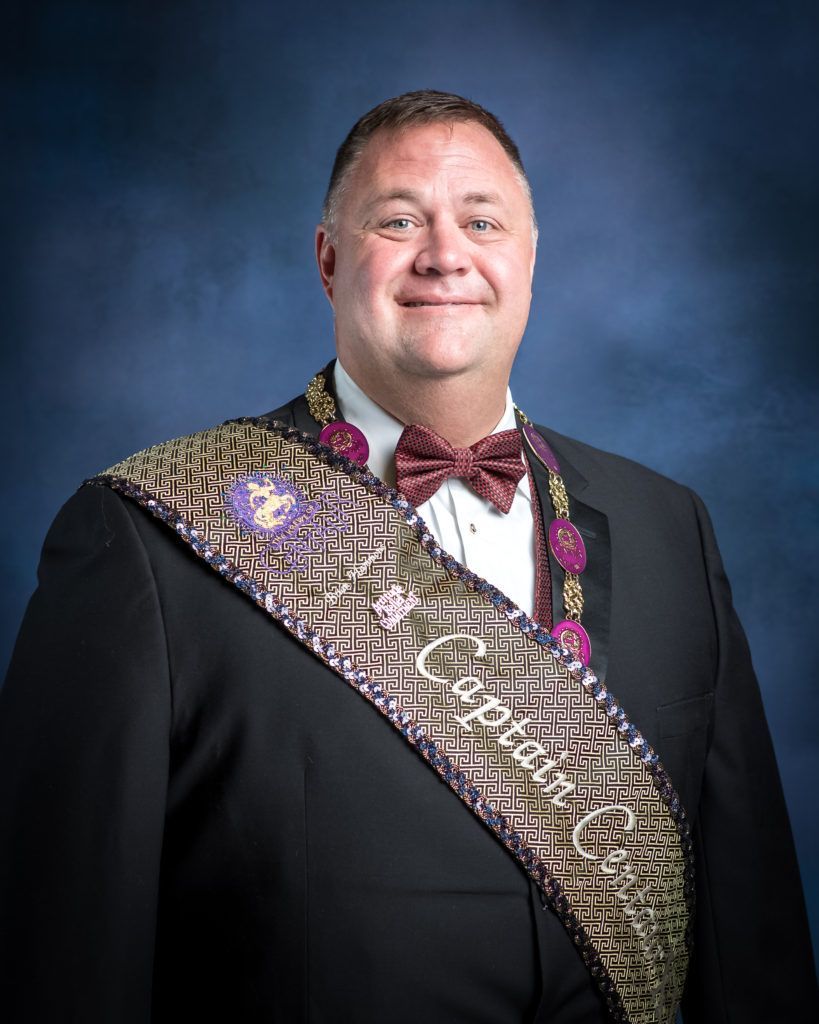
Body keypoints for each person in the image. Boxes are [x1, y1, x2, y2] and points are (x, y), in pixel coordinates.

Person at [1, 90, 816, 1024]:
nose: (444, 253)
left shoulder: (671, 526)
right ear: (327, 259)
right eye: (398, 220)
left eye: (481, 220)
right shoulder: (149, 534)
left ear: (529, 260)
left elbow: (752, 958)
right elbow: (60, 963)